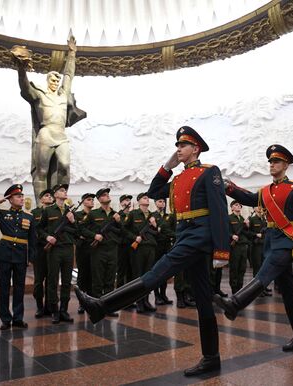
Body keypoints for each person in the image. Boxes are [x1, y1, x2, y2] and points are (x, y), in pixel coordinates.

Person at [76, 126, 230, 376]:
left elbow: (219, 210)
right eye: (177, 145)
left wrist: (221, 251)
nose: (178, 149)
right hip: (184, 235)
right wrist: (167, 167)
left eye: (183, 145)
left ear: (196, 149)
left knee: (155, 274)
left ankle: (102, 305)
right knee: (203, 300)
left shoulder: (209, 172)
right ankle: (212, 358)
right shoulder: (178, 179)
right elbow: (154, 191)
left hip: (198, 238)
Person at [217, 144, 293, 351]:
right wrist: (229, 187)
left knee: (265, 273)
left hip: (287, 242)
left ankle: (236, 303)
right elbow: (250, 199)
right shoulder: (266, 191)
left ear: (286, 165)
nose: (272, 164)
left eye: (276, 161)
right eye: (270, 161)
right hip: (272, 241)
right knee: (288, 291)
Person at [13, 35, 86, 202]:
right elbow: (24, 88)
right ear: (47, 81)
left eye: (57, 80)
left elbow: (69, 75)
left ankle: (59, 200)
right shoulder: (39, 94)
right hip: (45, 134)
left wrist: (72, 54)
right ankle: (41, 204)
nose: (56, 82)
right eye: (53, 79)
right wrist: (21, 69)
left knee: (65, 167)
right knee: (42, 171)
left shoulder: (63, 95)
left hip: (60, 135)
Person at [0, 184, 36, 330]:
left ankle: (18, 318)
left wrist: (30, 258)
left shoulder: (29, 216)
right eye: (18, 196)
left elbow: (33, 240)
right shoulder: (2, 214)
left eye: (22, 196)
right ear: (10, 199)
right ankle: (5, 319)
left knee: (19, 288)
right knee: (4, 288)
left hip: (21, 255)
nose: (22, 198)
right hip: (5, 254)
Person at [37, 183, 76, 324]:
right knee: (53, 280)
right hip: (54, 250)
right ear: (55, 195)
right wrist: (47, 237)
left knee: (66, 282)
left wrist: (73, 221)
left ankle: (64, 310)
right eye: (61, 190)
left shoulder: (70, 212)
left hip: (68, 249)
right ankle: (54, 310)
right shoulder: (48, 211)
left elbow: (77, 231)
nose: (64, 191)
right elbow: (39, 229)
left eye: (65, 190)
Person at [81, 188, 122, 317]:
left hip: (112, 249)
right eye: (104, 195)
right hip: (99, 250)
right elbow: (81, 228)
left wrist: (119, 222)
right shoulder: (93, 214)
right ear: (99, 199)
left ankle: (108, 307)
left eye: (108, 194)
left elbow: (122, 232)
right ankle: (97, 307)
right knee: (98, 280)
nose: (107, 196)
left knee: (110, 280)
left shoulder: (115, 214)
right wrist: (94, 236)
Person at [124, 192, 158, 313]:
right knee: (138, 276)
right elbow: (124, 229)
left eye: (148, 198)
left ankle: (146, 301)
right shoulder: (133, 214)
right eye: (144, 198)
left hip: (150, 247)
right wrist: (134, 238)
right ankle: (139, 302)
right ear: (138, 201)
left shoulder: (153, 215)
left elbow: (157, 232)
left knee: (148, 276)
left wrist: (154, 225)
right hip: (138, 248)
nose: (147, 199)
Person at [31, 189, 53, 318]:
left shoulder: (55, 212)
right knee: (39, 280)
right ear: (41, 199)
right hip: (39, 250)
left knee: (51, 280)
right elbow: (33, 232)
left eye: (51, 195)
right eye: (46, 195)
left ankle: (49, 306)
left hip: (52, 250)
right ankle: (39, 306)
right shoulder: (34, 213)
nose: (49, 197)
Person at [151, 198, 176, 305]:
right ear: (155, 203)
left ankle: (164, 295)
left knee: (165, 271)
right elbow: (152, 232)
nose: (162, 203)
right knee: (156, 271)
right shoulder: (152, 216)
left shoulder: (169, 216)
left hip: (166, 246)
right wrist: (159, 231)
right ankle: (157, 296)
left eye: (164, 202)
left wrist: (160, 230)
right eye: (160, 201)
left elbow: (172, 231)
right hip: (156, 247)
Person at [74, 193, 95, 314]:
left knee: (93, 274)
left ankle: (91, 302)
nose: (91, 201)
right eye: (89, 199)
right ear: (83, 202)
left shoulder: (95, 214)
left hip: (94, 247)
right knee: (82, 275)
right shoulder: (78, 215)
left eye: (92, 199)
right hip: (82, 248)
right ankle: (82, 303)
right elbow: (76, 230)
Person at [228, 201, 253, 294]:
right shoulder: (229, 218)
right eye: (236, 205)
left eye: (239, 205)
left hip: (243, 246)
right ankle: (234, 290)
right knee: (234, 269)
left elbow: (246, 233)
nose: (238, 206)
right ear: (232, 208)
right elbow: (226, 230)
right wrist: (231, 236)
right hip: (235, 247)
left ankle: (240, 289)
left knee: (242, 269)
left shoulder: (242, 219)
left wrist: (247, 226)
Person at [248, 207, 270, 296]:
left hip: (264, 246)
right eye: (258, 207)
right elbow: (248, 233)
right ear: (254, 208)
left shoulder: (264, 220)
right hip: (256, 246)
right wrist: (256, 234)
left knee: (264, 268)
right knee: (257, 268)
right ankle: (256, 290)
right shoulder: (252, 220)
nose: (260, 208)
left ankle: (263, 287)